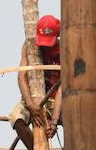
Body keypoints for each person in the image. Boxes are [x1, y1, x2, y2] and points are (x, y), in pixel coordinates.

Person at [9, 15, 62, 150]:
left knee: (76, 120)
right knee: (16, 118)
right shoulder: (29, 46)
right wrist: (30, 104)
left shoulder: (65, 50)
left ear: (58, 35)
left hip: (57, 99)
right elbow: (21, 77)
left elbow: (63, 86)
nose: (45, 46)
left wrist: (54, 121)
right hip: (32, 98)